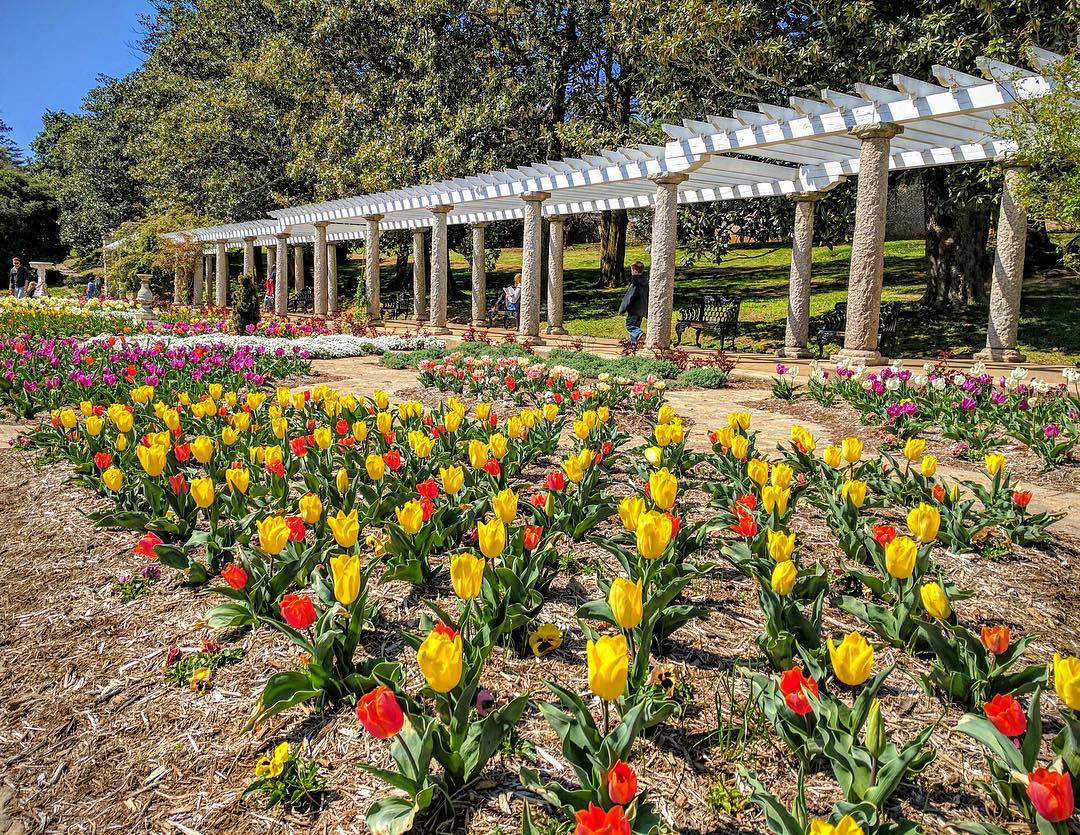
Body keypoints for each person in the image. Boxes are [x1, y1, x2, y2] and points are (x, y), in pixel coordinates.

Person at [619, 261, 649, 345]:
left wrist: (622, 309)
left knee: (630, 326)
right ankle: (634, 344)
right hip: (643, 309)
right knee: (636, 326)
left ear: (633, 270)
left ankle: (641, 335)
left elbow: (629, 297)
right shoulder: (646, 282)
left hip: (634, 309)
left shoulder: (635, 282)